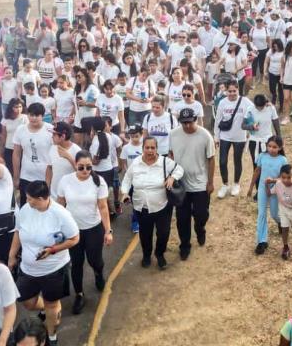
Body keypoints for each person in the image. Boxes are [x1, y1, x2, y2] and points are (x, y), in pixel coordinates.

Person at [7, 180, 80, 346]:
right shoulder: (25, 210)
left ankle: (52, 335)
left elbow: (75, 238)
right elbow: (18, 232)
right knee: (27, 301)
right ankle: (45, 309)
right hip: (28, 269)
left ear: (41, 198)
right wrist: (11, 255)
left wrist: (53, 250)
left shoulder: (60, 214)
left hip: (54, 269)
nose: (27, 201)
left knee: (51, 304)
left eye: (30, 198)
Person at [54, 151, 112, 315]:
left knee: (95, 260)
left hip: (94, 228)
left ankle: (98, 272)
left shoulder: (98, 181)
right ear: (75, 166)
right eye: (81, 167)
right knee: (76, 263)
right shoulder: (66, 181)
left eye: (88, 167)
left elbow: (103, 207)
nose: (85, 170)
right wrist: (59, 229)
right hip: (73, 231)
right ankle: (79, 294)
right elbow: (60, 205)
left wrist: (108, 231)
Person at [121, 137, 183, 269]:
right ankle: (147, 255)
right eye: (147, 148)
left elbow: (179, 169)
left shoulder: (165, 162)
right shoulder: (136, 163)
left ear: (157, 149)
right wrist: (125, 193)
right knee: (145, 234)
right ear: (142, 148)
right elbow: (127, 179)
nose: (150, 150)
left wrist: (172, 177)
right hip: (141, 207)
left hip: (162, 206)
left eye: (152, 148)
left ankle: (160, 254)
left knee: (163, 233)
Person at [169, 107, 215, 260]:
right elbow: (170, 154)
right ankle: (185, 245)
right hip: (181, 184)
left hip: (200, 183)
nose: (187, 126)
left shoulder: (205, 135)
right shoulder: (173, 134)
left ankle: (200, 227)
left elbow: (211, 158)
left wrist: (210, 182)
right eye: (184, 123)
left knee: (201, 214)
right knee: (182, 218)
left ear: (195, 120)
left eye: (190, 122)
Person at [248, 136, 287, 255]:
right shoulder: (262, 156)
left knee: (275, 214)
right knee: (261, 214)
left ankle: (280, 222)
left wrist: (274, 180)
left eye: (275, 147)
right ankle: (262, 241)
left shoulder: (283, 160)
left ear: (280, 147)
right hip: (262, 189)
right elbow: (257, 171)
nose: (271, 149)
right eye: (269, 146)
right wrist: (250, 187)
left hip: (276, 189)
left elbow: (284, 178)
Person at [214, 82, 254, 198]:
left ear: (238, 90)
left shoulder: (245, 101)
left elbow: (254, 109)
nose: (231, 94)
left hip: (239, 136)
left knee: (237, 160)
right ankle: (225, 184)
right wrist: (216, 137)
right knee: (222, 161)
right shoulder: (222, 102)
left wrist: (266, 104)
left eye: (234, 91)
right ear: (226, 91)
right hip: (225, 136)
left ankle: (236, 184)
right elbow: (217, 120)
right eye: (229, 91)